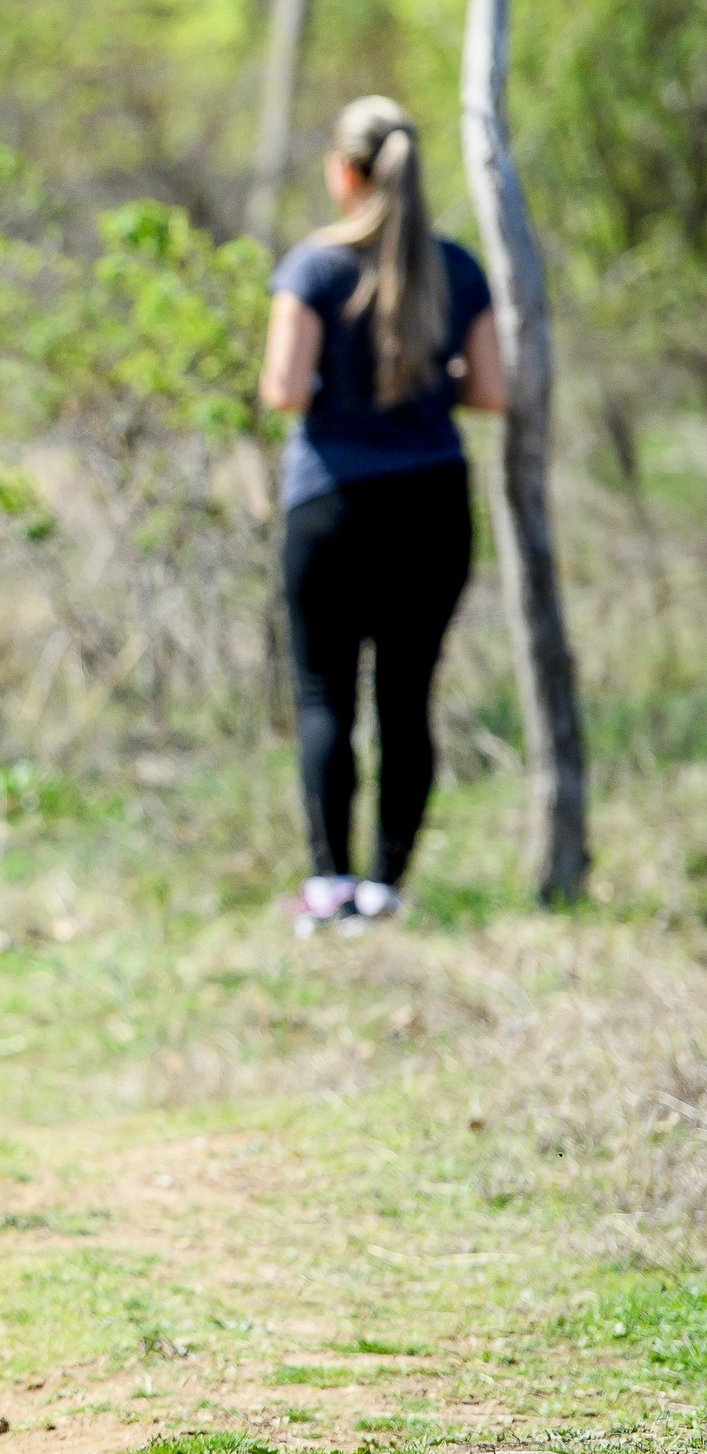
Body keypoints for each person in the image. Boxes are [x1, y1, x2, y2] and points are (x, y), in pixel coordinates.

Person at [259, 96, 506, 935]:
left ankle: (330, 887)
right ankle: (388, 888)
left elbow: (285, 389)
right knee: (407, 700)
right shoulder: (458, 269)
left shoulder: (314, 270)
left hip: (331, 502)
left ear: (345, 172)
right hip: (431, 502)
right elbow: (494, 390)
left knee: (326, 694)